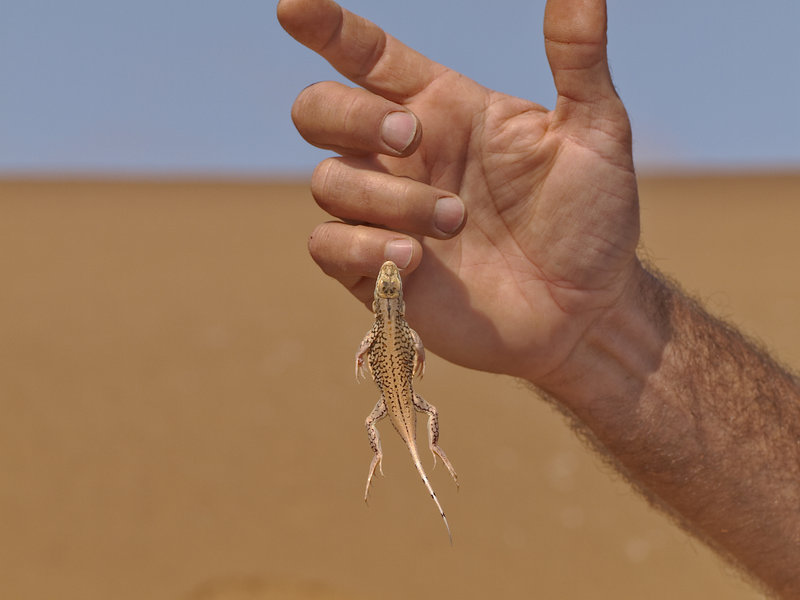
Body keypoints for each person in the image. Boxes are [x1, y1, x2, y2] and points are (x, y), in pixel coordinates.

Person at [276, 0, 800, 595]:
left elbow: (380, 345)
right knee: (410, 419)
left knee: (414, 423)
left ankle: (417, 460)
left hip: (401, 373)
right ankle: (407, 459)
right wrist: (608, 326)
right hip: (420, 368)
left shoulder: (386, 325)